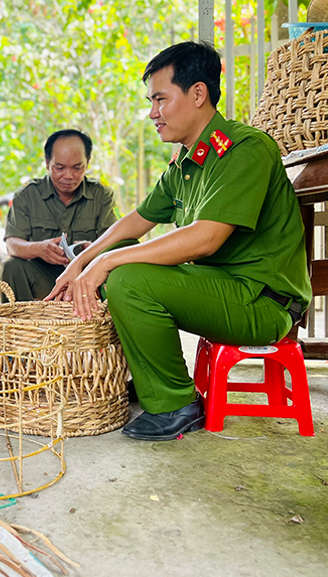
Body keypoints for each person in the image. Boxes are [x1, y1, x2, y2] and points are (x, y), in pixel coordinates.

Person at [46, 42, 311, 441]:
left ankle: (175, 404)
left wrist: (108, 264)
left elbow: (205, 238)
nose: (153, 113)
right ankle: (153, 375)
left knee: (128, 279)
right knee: (119, 262)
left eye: (160, 100)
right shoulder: (188, 161)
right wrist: (79, 264)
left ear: (198, 94)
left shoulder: (245, 149)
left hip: (263, 301)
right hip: (224, 289)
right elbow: (136, 221)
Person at [1, 129, 118, 301]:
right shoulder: (27, 195)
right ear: (48, 163)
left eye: (77, 168)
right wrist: (39, 249)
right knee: (12, 266)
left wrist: (92, 249)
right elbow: (12, 244)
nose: (68, 176)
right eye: (60, 168)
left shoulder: (101, 196)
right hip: (44, 277)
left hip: (87, 278)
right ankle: (16, 326)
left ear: (88, 163)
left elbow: (114, 241)